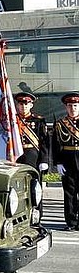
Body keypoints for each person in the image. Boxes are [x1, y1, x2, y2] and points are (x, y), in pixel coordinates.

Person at [53, 92, 79, 230]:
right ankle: (71, 221)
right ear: (65, 107)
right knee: (69, 193)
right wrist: (58, 162)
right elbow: (56, 144)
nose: (73, 108)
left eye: (75, 105)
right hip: (67, 160)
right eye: (70, 106)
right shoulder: (60, 124)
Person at [13, 92, 49, 173]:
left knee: (33, 181)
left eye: (26, 104)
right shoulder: (12, 120)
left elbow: (44, 142)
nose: (23, 106)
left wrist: (44, 160)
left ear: (31, 105)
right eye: (21, 104)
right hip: (16, 155)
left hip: (33, 155)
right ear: (17, 105)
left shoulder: (39, 121)